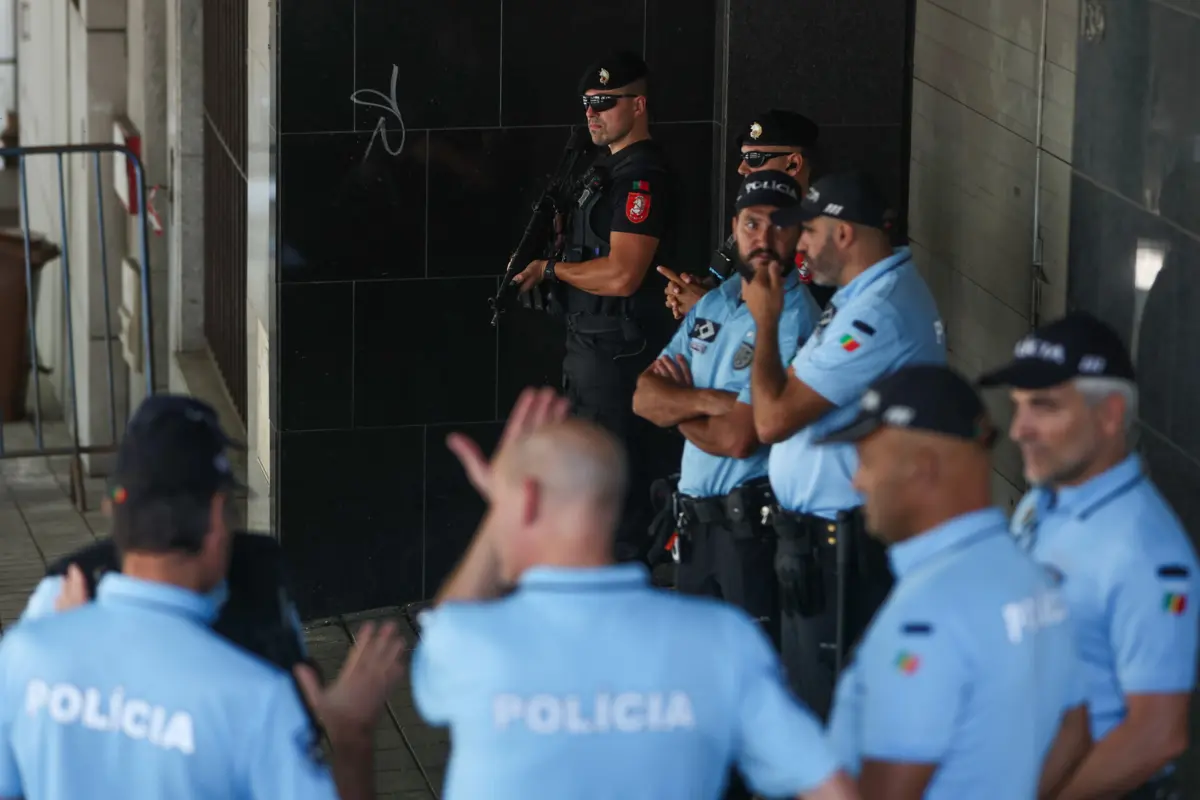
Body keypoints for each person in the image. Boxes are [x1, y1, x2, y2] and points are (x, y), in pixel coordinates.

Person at [411, 386, 858, 800]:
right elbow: (827, 784)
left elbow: (447, 628)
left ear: (525, 501)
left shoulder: (470, 639)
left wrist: (499, 514)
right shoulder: (721, 638)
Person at [0, 394, 405, 800]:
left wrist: (66, 641)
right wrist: (352, 738)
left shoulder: (24, 651)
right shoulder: (259, 700)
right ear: (216, 515)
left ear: (112, 508)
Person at [819, 364, 1090, 799]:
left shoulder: (926, 614)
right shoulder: (1032, 575)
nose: (858, 481)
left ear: (922, 469)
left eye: (867, 461)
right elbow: (1075, 731)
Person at [743, 171, 946, 719]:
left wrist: (766, 322)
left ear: (844, 234)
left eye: (808, 231)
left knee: (832, 719)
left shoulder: (877, 311)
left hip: (849, 544)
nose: (799, 245)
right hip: (824, 540)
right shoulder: (862, 297)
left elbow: (772, 420)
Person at [979, 312, 1199, 799]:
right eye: (1017, 407)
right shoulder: (1044, 501)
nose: (1019, 429)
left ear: (1110, 415)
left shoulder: (1145, 549)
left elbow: (1157, 734)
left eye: (1044, 406)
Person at [632, 170, 820, 644]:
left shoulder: (796, 319)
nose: (764, 237)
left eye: (780, 225)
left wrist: (676, 410)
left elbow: (739, 438)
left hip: (754, 534)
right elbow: (642, 396)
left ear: (799, 233)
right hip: (696, 526)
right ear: (734, 227)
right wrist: (708, 404)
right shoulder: (714, 303)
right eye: (752, 224)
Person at [512, 50, 675, 564]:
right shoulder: (604, 168)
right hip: (590, 346)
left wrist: (552, 271)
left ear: (639, 105)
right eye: (588, 104)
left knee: (614, 489)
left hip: (617, 352)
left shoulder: (640, 179)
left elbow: (624, 275)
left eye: (605, 102)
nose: (593, 114)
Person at [660, 109, 831, 321]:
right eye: (743, 158)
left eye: (754, 158)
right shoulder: (748, 217)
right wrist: (688, 290)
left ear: (793, 164)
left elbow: (806, 324)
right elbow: (725, 284)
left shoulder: (824, 234)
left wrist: (707, 307)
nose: (741, 168)